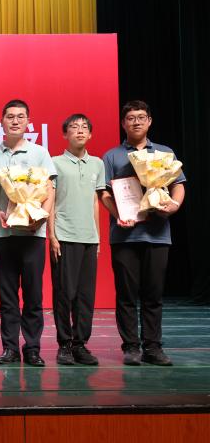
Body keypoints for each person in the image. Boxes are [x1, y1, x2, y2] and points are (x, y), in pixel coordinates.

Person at [99, 100, 185, 366]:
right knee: (126, 295)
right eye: (130, 118)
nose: (136, 122)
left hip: (158, 233)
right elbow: (104, 193)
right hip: (125, 235)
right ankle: (131, 347)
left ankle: (153, 347)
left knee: (153, 294)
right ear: (123, 123)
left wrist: (174, 205)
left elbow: (178, 184)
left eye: (141, 117)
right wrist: (119, 215)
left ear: (149, 121)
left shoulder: (164, 152)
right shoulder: (112, 156)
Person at [0, 99, 56, 367]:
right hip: (3, 234)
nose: (15, 121)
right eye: (10, 116)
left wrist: (41, 218)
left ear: (28, 122)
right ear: (1, 122)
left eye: (20, 117)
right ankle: (10, 348)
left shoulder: (40, 152)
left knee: (33, 295)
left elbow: (49, 190)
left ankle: (33, 348)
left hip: (33, 235)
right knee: (7, 296)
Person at [49, 113, 105, 366]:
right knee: (64, 294)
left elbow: (95, 201)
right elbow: (49, 201)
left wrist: (97, 237)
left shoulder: (97, 164)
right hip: (64, 236)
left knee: (85, 296)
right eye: (74, 127)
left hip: (88, 238)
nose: (80, 130)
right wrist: (52, 235)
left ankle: (80, 344)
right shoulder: (55, 163)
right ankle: (64, 345)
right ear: (65, 134)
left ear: (90, 134)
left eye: (84, 127)